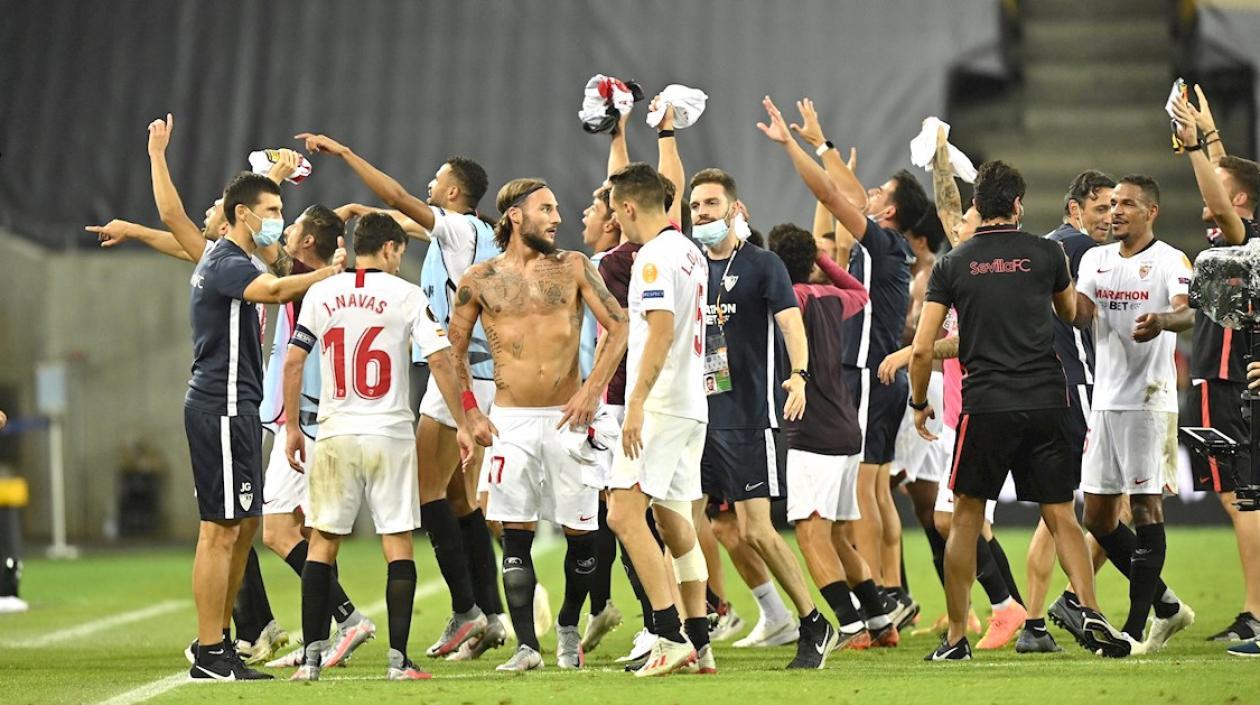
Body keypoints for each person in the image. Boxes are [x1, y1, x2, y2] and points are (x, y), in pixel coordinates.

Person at [145, 114, 347, 681]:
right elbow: (279, 286)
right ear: (241, 217)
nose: (278, 224)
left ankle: (223, 641)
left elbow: (171, 216)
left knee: (245, 526)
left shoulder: (227, 254)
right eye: (272, 214)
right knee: (220, 529)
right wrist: (328, 274)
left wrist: (160, 156)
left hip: (234, 404)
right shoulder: (231, 262)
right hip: (223, 402)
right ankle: (211, 649)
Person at [297, 132, 510, 658]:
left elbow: (400, 202)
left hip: (459, 372)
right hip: (473, 371)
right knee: (458, 498)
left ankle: (467, 611)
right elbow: (403, 223)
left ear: (456, 192)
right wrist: (364, 211)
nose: (430, 183)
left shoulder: (458, 228)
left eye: (438, 178)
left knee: (424, 492)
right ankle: (492, 613)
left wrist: (347, 156)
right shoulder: (465, 233)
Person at [908, 159, 1129, 661]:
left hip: (987, 405)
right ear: (1017, 206)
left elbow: (923, 349)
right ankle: (1091, 613)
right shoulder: (1048, 252)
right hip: (1047, 398)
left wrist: (919, 402)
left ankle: (957, 639)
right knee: (1060, 514)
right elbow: (1070, 314)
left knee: (965, 519)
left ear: (977, 207)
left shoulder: (953, 264)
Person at [285, 213, 486, 681]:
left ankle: (311, 662)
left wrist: (293, 426)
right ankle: (398, 662)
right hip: (390, 433)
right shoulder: (407, 294)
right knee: (397, 544)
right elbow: (440, 360)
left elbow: (294, 361)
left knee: (322, 543)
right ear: (393, 248)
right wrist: (462, 422)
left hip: (335, 432)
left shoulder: (322, 292)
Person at [446, 177, 629, 672]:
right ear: (515, 217)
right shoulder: (478, 280)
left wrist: (592, 390)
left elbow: (621, 327)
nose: (557, 217)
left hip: (568, 418)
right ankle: (528, 646)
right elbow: (453, 349)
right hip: (510, 422)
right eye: (546, 209)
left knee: (583, 536)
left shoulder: (573, 266)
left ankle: (568, 624)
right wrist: (470, 412)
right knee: (515, 532)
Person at [758, 96, 924, 626]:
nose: (868, 196)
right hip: (870, 375)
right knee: (867, 495)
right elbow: (831, 220)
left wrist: (797, 146)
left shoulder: (883, 245)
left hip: (871, 373)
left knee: (859, 497)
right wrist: (824, 146)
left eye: (879, 195)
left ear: (889, 212)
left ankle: (883, 601)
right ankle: (886, 597)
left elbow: (832, 195)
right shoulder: (879, 255)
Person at [688, 166, 838, 664]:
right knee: (683, 521)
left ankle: (813, 622)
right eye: (695, 206)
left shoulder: (763, 264)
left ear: (734, 209)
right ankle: (686, 631)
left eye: (710, 204)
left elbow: (791, 324)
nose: (702, 214)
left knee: (756, 529)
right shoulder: (688, 265)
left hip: (748, 414)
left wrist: (799, 373)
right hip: (695, 415)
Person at [1073, 174, 1197, 654]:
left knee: (1146, 507)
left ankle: (1135, 626)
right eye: (1109, 206)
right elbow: (1080, 313)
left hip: (1150, 400)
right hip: (1105, 401)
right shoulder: (1094, 259)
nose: (1114, 213)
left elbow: (1188, 312)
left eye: (1126, 205)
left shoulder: (1169, 260)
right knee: (1099, 517)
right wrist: (1054, 292)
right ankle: (1168, 607)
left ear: (1151, 212)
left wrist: (1163, 320)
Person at [603, 162, 716, 676]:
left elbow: (662, 332)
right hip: (692, 402)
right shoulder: (691, 252)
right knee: (674, 522)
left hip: (663, 403)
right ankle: (700, 642)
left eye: (614, 211)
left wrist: (635, 404)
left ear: (628, 207)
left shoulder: (652, 259)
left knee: (622, 513)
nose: (615, 222)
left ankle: (669, 635)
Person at [772, 224, 904, 655]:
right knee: (837, 535)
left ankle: (849, 624)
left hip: (812, 428)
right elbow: (861, 294)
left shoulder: (786, 301)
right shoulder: (830, 297)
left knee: (810, 534)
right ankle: (880, 619)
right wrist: (822, 259)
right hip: (848, 429)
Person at [1172, 90, 1260, 643]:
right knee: (1242, 498)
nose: (1206, 187)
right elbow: (1227, 185)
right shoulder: (1236, 233)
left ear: (1243, 199)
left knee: (1242, 498)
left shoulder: (1242, 234)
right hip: (1220, 380)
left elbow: (1225, 202)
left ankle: (1256, 614)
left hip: (1227, 380)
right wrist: (1209, 134)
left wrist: (1197, 146)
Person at [1019, 169, 1114, 654]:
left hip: (1049, 386)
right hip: (1080, 387)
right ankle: (1081, 607)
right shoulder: (1079, 248)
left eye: (1116, 208)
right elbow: (1092, 311)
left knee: (1057, 510)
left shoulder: (1040, 246)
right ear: (1074, 209)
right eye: (1101, 208)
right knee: (1103, 505)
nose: (1111, 218)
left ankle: (1036, 622)